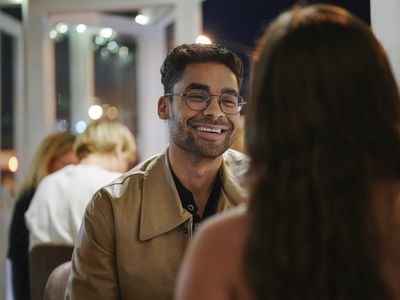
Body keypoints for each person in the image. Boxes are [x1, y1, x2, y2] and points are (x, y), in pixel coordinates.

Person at [175, 4, 400, 300]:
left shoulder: (224, 247)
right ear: (382, 96)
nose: (215, 112)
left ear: (266, 111)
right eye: (197, 97)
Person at [65, 43, 249, 299]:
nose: (215, 112)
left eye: (228, 100)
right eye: (197, 97)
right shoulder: (111, 208)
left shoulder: (269, 191)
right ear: (164, 108)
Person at [25, 120, 136, 248]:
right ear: (119, 149)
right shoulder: (117, 185)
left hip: (46, 268)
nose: (126, 168)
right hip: (96, 267)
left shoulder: (47, 184)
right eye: (128, 160)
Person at [7, 131, 78, 300]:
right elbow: (20, 259)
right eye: (65, 165)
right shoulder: (30, 198)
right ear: (47, 161)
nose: (70, 173)